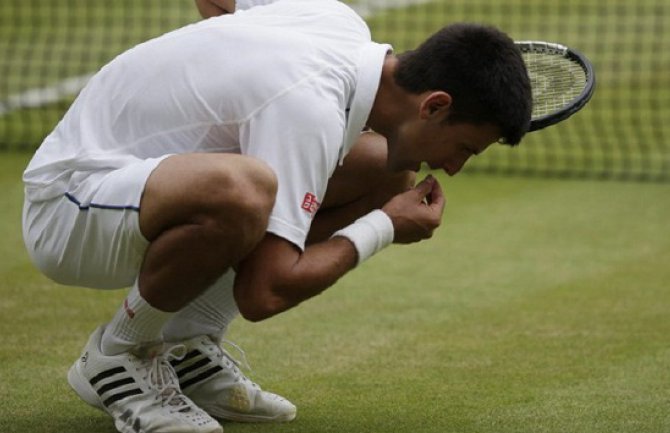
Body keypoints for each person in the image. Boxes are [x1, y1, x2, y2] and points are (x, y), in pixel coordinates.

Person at [21, 0, 532, 432]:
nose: (454, 167)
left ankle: (188, 343)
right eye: (464, 147)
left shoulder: (335, 18)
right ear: (434, 106)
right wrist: (384, 228)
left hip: (143, 189)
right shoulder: (309, 109)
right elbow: (263, 292)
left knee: (383, 170)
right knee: (244, 190)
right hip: (71, 206)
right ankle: (120, 354)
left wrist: (216, 81)